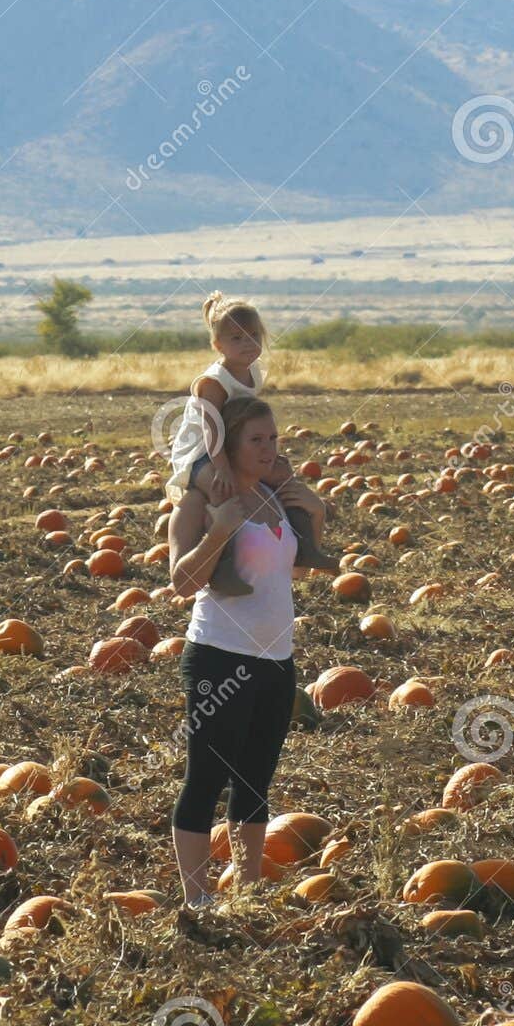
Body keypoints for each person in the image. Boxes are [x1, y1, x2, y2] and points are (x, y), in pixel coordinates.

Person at [166, 395, 326, 910]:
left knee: (256, 777)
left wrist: (315, 516)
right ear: (228, 446)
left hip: (277, 660)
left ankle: (250, 886)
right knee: (206, 777)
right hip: (220, 656)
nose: (269, 448)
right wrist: (219, 529)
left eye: (274, 439)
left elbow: (293, 572)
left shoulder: (274, 498)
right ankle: (197, 897)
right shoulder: (203, 503)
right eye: (256, 440)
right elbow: (182, 582)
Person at [167, 291, 337, 595]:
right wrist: (223, 470)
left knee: (284, 478)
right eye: (236, 338)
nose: (247, 343)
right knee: (225, 491)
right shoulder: (213, 382)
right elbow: (212, 431)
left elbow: (245, 421)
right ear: (218, 345)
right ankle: (224, 569)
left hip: (228, 449)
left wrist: (271, 455)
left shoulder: (252, 373)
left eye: (253, 336)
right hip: (200, 456)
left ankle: (306, 547)